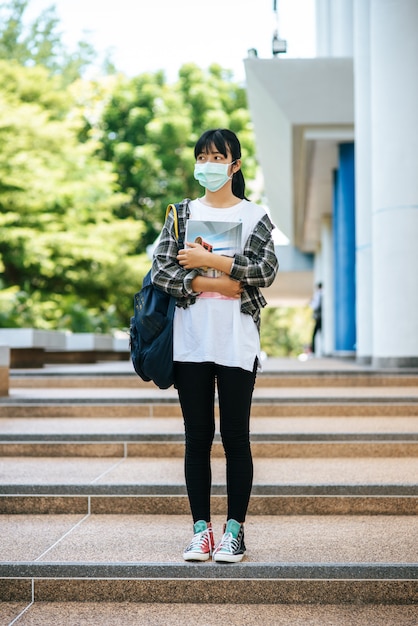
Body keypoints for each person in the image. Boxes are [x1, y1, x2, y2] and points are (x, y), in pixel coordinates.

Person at [151, 128, 278, 563]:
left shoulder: (255, 216)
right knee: (197, 437)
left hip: (238, 342)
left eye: (217, 157)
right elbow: (162, 273)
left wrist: (209, 260)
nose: (208, 164)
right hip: (190, 342)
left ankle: (234, 533)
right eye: (202, 156)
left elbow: (264, 272)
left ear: (235, 165)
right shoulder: (181, 215)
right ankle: (201, 531)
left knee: (236, 438)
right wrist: (223, 282)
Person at [310, 282, 323, 355]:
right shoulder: (324, 293)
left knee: (315, 334)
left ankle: (314, 351)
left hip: (319, 317)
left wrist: (311, 302)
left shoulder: (318, 294)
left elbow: (314, 305)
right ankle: (322, 349)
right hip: (322, 317)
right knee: (321, 333)